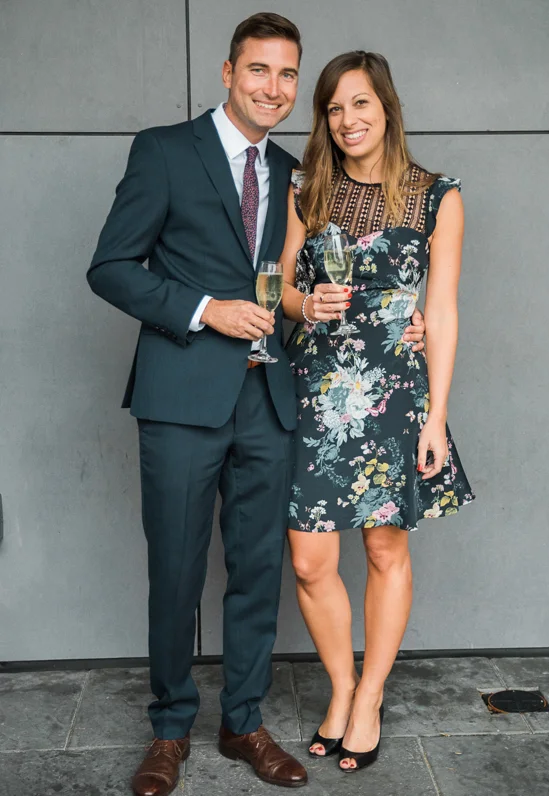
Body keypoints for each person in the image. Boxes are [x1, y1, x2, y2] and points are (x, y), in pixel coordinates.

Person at [87, 13, 309, 795]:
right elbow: (111, 267)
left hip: (268, 399)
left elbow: (297, 286)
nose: (273, 87)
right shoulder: (163, 151)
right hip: (181, 395)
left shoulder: (293, 172)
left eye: (287, 74)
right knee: (177, 571)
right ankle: (170, 728)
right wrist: (204, 309)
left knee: (258, 569)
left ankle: (243, 721)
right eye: (259, 70)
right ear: (227, 73)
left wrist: (387, 317)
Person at [278, 51, 475, 773]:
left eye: (359, 103)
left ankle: (368, 697)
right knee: (310, 559)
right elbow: (278, 290)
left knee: (386, 550)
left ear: (387, 108)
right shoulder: (307, 191)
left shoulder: (436, 196)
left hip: (396, 392)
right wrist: (306, 303)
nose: (347, 119)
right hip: (316, 389)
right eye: (333, 108)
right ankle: (340, 684)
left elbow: (442, 311)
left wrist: (436, 415)